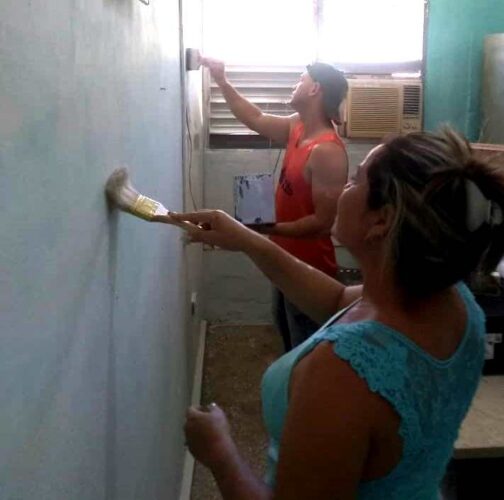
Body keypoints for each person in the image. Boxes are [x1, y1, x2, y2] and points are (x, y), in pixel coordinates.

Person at [175, 128, 504, 499]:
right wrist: (246, 239)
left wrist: (219, 450)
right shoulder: (454, 302)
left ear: (380, 221)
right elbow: (336, 301)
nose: (342, 189)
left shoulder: (342, 374)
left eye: (355, 180)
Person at [202, 57, 349, 351]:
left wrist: (270, 230)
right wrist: (222, 81)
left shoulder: (326, 152)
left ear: (315, 89)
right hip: (283, 258)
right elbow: (255, 118)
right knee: (285, 331)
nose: (295, 85)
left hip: (310, 270)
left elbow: (322, 224)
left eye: (300, 80)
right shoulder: (297, 126)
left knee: (306, 347)